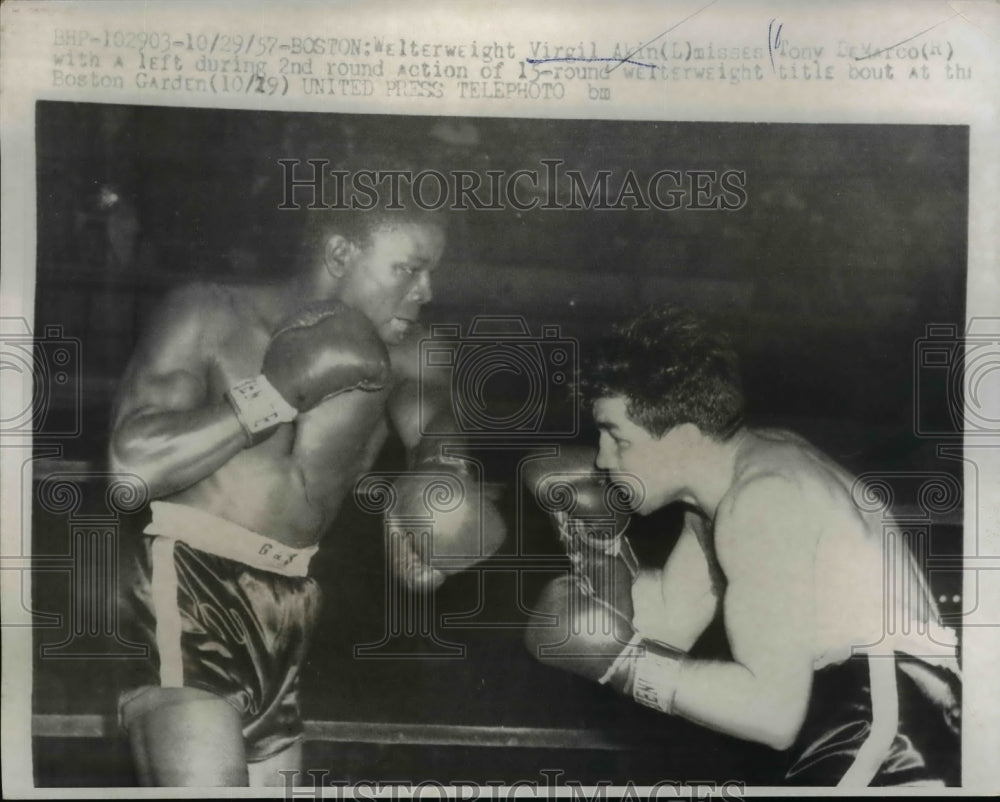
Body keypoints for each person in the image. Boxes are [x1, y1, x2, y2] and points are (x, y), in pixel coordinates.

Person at [110, 196, 503, 786]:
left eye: (432, 272)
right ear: (342, 253)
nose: (426, 291)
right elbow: (129, 466)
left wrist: (435, 488)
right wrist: (274, 393)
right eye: (408, 268)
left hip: (292, 602)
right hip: (186, 584)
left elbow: (438, 424)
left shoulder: (411, 349)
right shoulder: (209, 312)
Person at [524, 305, 961, 786]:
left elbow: (770, 714)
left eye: (616, 437)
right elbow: (663, 626)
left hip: (884, 723)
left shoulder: (762, 500)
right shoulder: (722, 496)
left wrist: (623, 666)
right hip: (869, 715)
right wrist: (595, 546)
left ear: (685, 439)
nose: (602, 459)